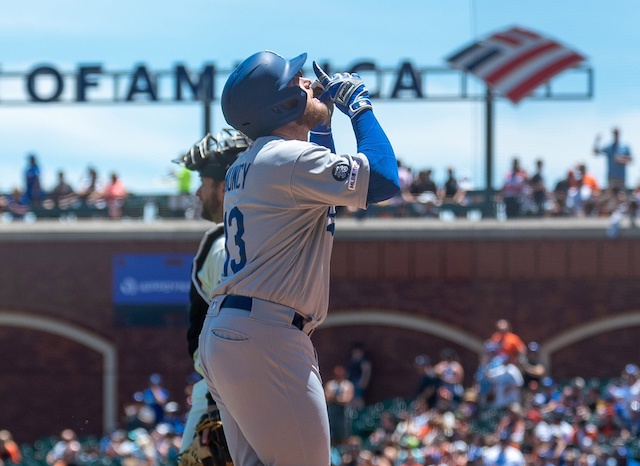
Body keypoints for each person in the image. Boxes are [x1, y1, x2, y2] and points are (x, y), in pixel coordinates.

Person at [197, 50, 400, 466]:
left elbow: (321, 195)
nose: (308, 82)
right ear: (281, 105)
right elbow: (382, 179)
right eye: (296, 81)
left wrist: (323, 121)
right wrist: (358, 106)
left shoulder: (257, 161)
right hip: (266, 334)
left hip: (233, 331)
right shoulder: (284, 159)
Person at [172, 129, 251, 458]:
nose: (198, 192)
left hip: (225, 397)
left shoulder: (222, 244)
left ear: (225, 186)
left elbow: (239, 326)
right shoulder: (269, 235)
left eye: (204, 183)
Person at [325, 365, 355, 447]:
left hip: (343, 414)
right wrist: (337, 398)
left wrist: (335, 398)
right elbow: (327, 398)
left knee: (344, 435)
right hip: (332, 413)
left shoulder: (347, 385)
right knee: (330, 434)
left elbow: (346, 399)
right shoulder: (330, 384)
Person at [347, 341, 372, 410]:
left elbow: (366, 371)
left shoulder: (364, 361)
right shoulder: (353, 360)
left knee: (358, 399)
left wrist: (364, 381)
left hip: (358, 382)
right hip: (352, 382)